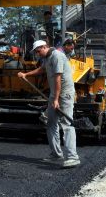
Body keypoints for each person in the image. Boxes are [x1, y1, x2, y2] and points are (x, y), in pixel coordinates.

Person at [17, 40, 80, 168]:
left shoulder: (57, 56)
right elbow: (41, 69)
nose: (37, 54)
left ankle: (73, 157)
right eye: (36, 52)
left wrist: (56, 99)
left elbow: (58, 79)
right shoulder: (47, 57)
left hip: (64, 95)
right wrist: (26, 74)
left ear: (45, 47)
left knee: (67, 124)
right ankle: (56, 154)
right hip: (55, 95)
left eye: (38, 51)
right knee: (50, 123)